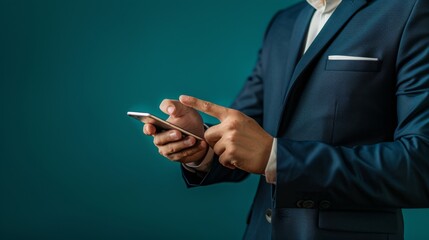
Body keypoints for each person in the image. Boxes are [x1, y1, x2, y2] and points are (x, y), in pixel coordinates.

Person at [142, 0, 429, 239]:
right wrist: (201, 143)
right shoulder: (284, 22)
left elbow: (421, 167)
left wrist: (278, 158)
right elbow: (246, 132)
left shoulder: (410, 10)